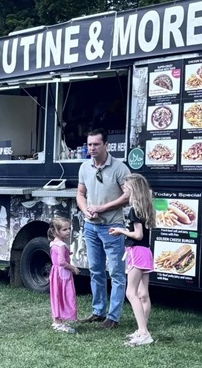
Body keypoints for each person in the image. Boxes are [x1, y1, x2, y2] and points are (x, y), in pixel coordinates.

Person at [76, 128, 130, 329]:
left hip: (113, 227)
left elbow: (128, 196)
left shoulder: (120, 168)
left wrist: (102, 208)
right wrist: (86, 210)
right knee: (95, 270)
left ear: (106, 145)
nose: (92, 148)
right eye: (89, 144)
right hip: (91, 226)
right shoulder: (84, 167)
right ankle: (98, 311)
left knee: (116, 272)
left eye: (96, 144)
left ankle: (113, 317)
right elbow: (80, 193)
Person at [108, 173, 156, 347]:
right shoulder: (146, 207)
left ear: (133, 189)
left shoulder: (134, 209)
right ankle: (142, 329)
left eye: (127, 187)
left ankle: (143, 332)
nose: (125, 190)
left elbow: (138, 234)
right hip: (146, 252)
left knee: (131, 293)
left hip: (136, 252)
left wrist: (121, 231)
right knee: (143, 294)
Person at [48, 217, 79, 333]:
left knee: (57, 295)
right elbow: (61, 262)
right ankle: (59, 323)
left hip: (55, 273)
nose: (68, 231)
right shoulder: (61, 245)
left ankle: (57, 320)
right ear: (56, 231)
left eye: (69, 228)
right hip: (62, 274)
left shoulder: (54, 243)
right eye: (64, 229)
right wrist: (73, 268)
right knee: (65, 296)